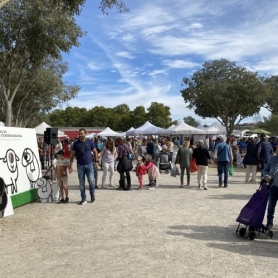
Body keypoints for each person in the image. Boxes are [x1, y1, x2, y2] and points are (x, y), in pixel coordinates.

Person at [69, 128, 98, 205]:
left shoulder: (90, 142)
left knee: (91, 181)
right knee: (81, 183)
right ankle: (83, 198)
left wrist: (96, 162)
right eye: (79, 134)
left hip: (89, 164)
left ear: (85, 133)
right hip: (80, 165)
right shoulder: (76, 143)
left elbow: (95, 151)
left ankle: (92, 194)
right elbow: (72, 155)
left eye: (82, 134)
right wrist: (70, 166)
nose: (80, 135)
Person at [262, 147, 278, 230]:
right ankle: (269, 223)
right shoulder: (273, 158)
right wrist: (267, 175)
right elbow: (265, 169)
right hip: (273, 187)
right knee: (271, 206)